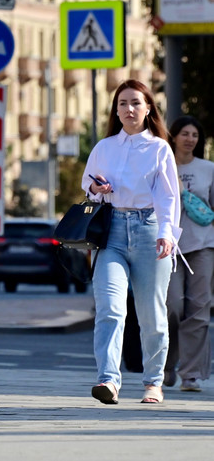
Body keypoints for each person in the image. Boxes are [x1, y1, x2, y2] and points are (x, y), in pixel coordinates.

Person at [83, 79, 181, 405]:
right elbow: (88, 188)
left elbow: (168, 197)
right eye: (122, 103)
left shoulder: (159, 148)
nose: (129, 109)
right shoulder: (104, 147)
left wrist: (168, 234)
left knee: (151, 313)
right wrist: (96, 189)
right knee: (110, 309)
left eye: (135, 103)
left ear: (148, 107)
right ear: (116, 109)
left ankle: (153, 382)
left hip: (149, 231)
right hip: (110, 230)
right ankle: (108, 381)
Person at [165, 115, 214, 392]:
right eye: (184, 133)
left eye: (194, 134)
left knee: (198, 309)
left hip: (203, 246)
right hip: (169, 247)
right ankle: (167, 365)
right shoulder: (163, 164)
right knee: (172, 306)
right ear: (173, 136)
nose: (189, 139)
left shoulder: (208, 168)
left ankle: (191, 374)